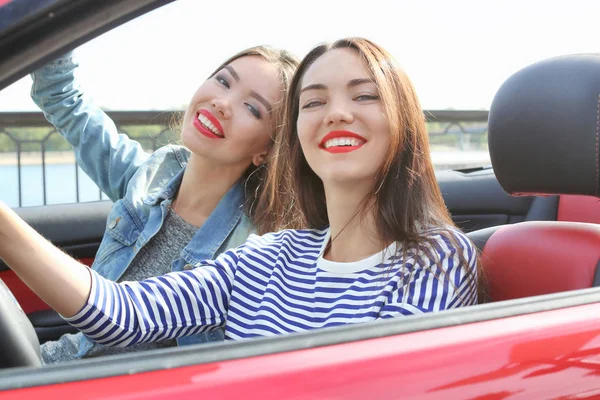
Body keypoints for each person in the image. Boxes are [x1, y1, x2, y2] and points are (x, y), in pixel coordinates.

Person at [0, 37, 480, 348]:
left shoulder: (435, 258)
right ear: (298, 135)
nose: (335, 113)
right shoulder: (270, 256)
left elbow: (383, 382)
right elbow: (123, 313)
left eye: (364, 95)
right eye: (314, 102)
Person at [28, 45, 298, 363]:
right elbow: (65, 100)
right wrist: (54, 23)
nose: (222, 103)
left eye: (252, 108)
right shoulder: (150, 176)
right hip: (56, 366)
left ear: (266, 151)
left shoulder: (253, 249)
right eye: (224, 81)